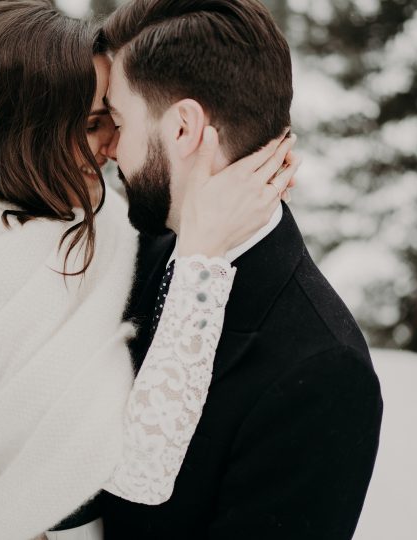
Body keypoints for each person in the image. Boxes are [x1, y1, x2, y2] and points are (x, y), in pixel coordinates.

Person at [0, 2, 298, 540]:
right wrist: (201, 260)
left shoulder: (96, 220)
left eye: (114, 117)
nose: (111, 147)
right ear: (24, 132)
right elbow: (125, 470)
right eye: (91, 124)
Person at [97, 1, 384, 539]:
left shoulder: (325, 374)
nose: (110, 148)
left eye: (117, 121)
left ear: (183, 128)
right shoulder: (137, 246)